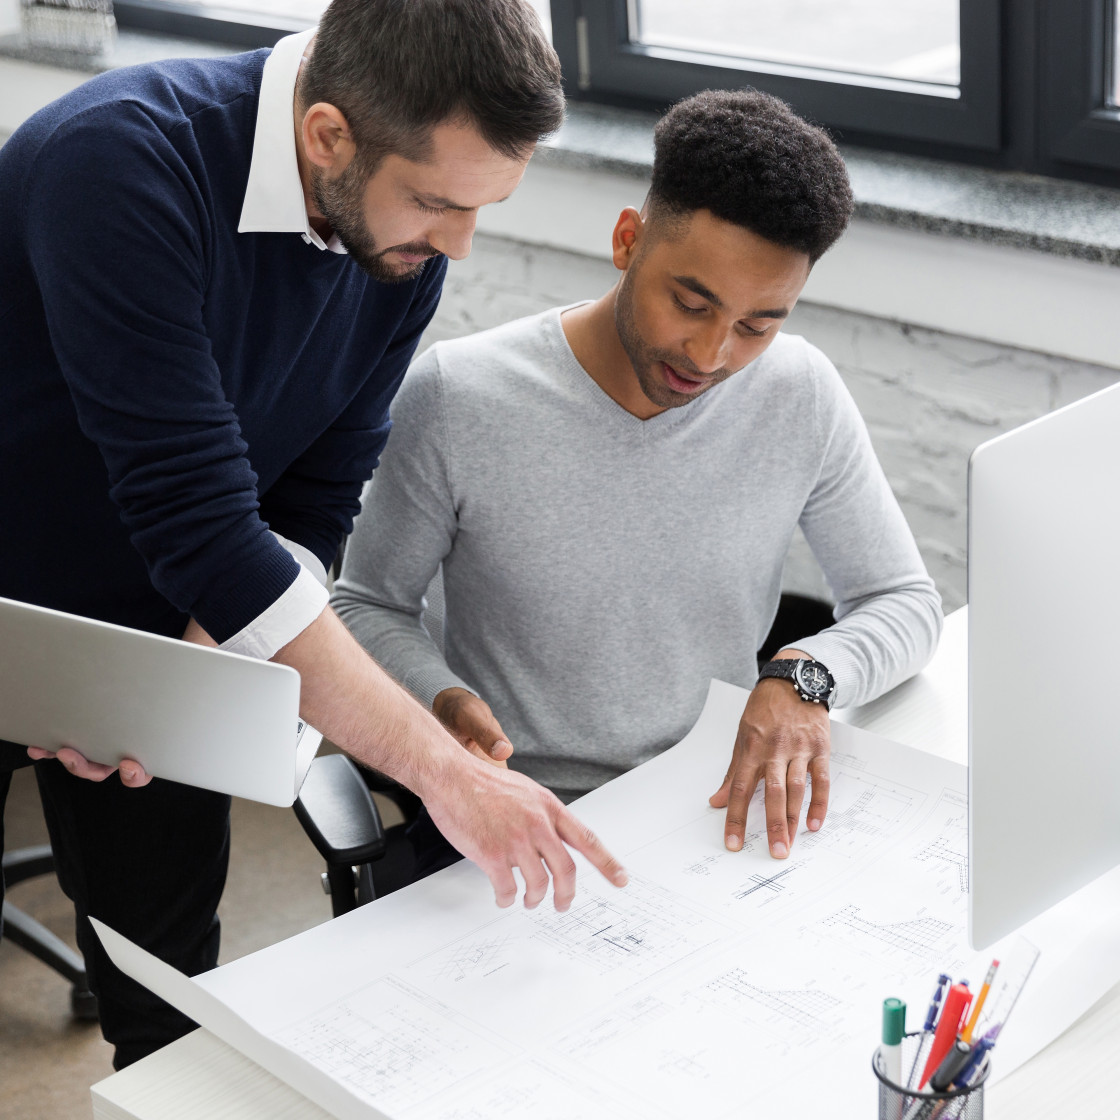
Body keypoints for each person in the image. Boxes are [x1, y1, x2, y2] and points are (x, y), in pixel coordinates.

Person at [0, 0, 627, 1069]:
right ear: (328, 135)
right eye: (436, 203)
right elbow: (201, 520)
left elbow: (312, 503)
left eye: (482, 208)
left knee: (169, 1009)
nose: (456, 248)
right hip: (33, 574)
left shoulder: (396, 249)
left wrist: (190, 671)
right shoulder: (116, 166)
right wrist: (444, 772)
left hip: (156, 639)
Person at [332, 88, 944, 881]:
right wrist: (441, 698)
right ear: (628, 240)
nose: (713, 353)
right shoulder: (459, 396)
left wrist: (805, 679)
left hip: (710, 805)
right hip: (516, 807)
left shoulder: (800, 393)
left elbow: (904, 601)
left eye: (760, 323)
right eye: (691, 302)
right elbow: (366, 605)